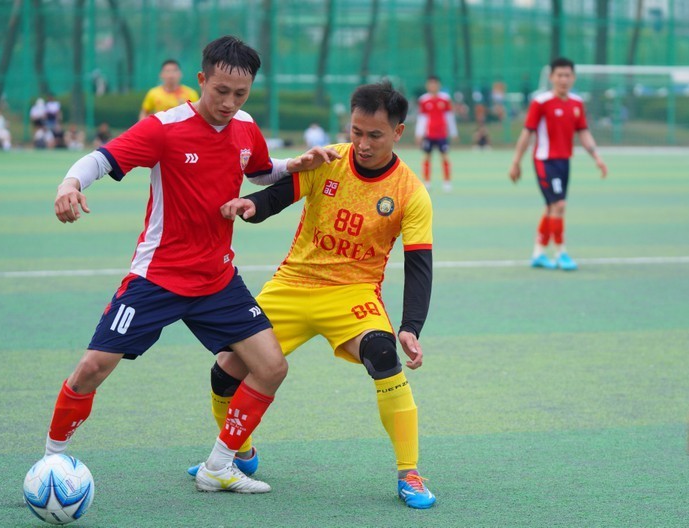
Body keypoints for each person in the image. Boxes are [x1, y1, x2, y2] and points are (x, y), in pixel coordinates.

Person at [47, 35, 338, 494]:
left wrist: (294, 164)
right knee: (91, 368)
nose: (229, 102)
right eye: (220, 90)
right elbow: (100, 159)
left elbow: (259, 171)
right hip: (157, 278)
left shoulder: (245, 126)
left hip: (218, 279)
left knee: (272, 367)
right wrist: (69, 184)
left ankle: (218, 466)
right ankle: (51, 461)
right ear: (201, 80)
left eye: (240, 94)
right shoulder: (165, 127)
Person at [189, 81, 436, 509]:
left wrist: (411, 326)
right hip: (293, 285)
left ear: (398, 133)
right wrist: (252, 206)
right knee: (225, 369)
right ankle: (237, 453)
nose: (361, 143)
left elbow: (418, 265)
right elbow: (281, 194)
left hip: (352, 293)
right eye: (356, 131)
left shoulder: (410, 192)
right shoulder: (329, 160)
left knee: (383, 355)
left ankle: (408, 471)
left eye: (374, 135)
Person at [509, 57, 608, 271]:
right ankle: (561, 253)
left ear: (573, 78)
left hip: (564, 161)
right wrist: (516, 162)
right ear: (551, 77)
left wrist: (597, 158)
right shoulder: (541, 102)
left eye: (567, 75)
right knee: (559, 206)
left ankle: (538, 253)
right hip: (545, 161)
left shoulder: (576, 103)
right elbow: (527, 133)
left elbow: (583, 132)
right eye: (559, 75)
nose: (564, 79)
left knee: (551, 207)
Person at [415, 75, 458, 192]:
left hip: (442, 134)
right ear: (427, 85)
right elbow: (422, 118)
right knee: (427, 157)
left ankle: (447, 182)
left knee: (444, 157)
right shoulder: (424, 100)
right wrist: (419, 133)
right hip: (429, 134)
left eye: (435, 84)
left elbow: (449, 117)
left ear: (439, 85)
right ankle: (427, 182)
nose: (433, 86)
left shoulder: (445, 99)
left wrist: (453, 132)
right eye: (430, 84)